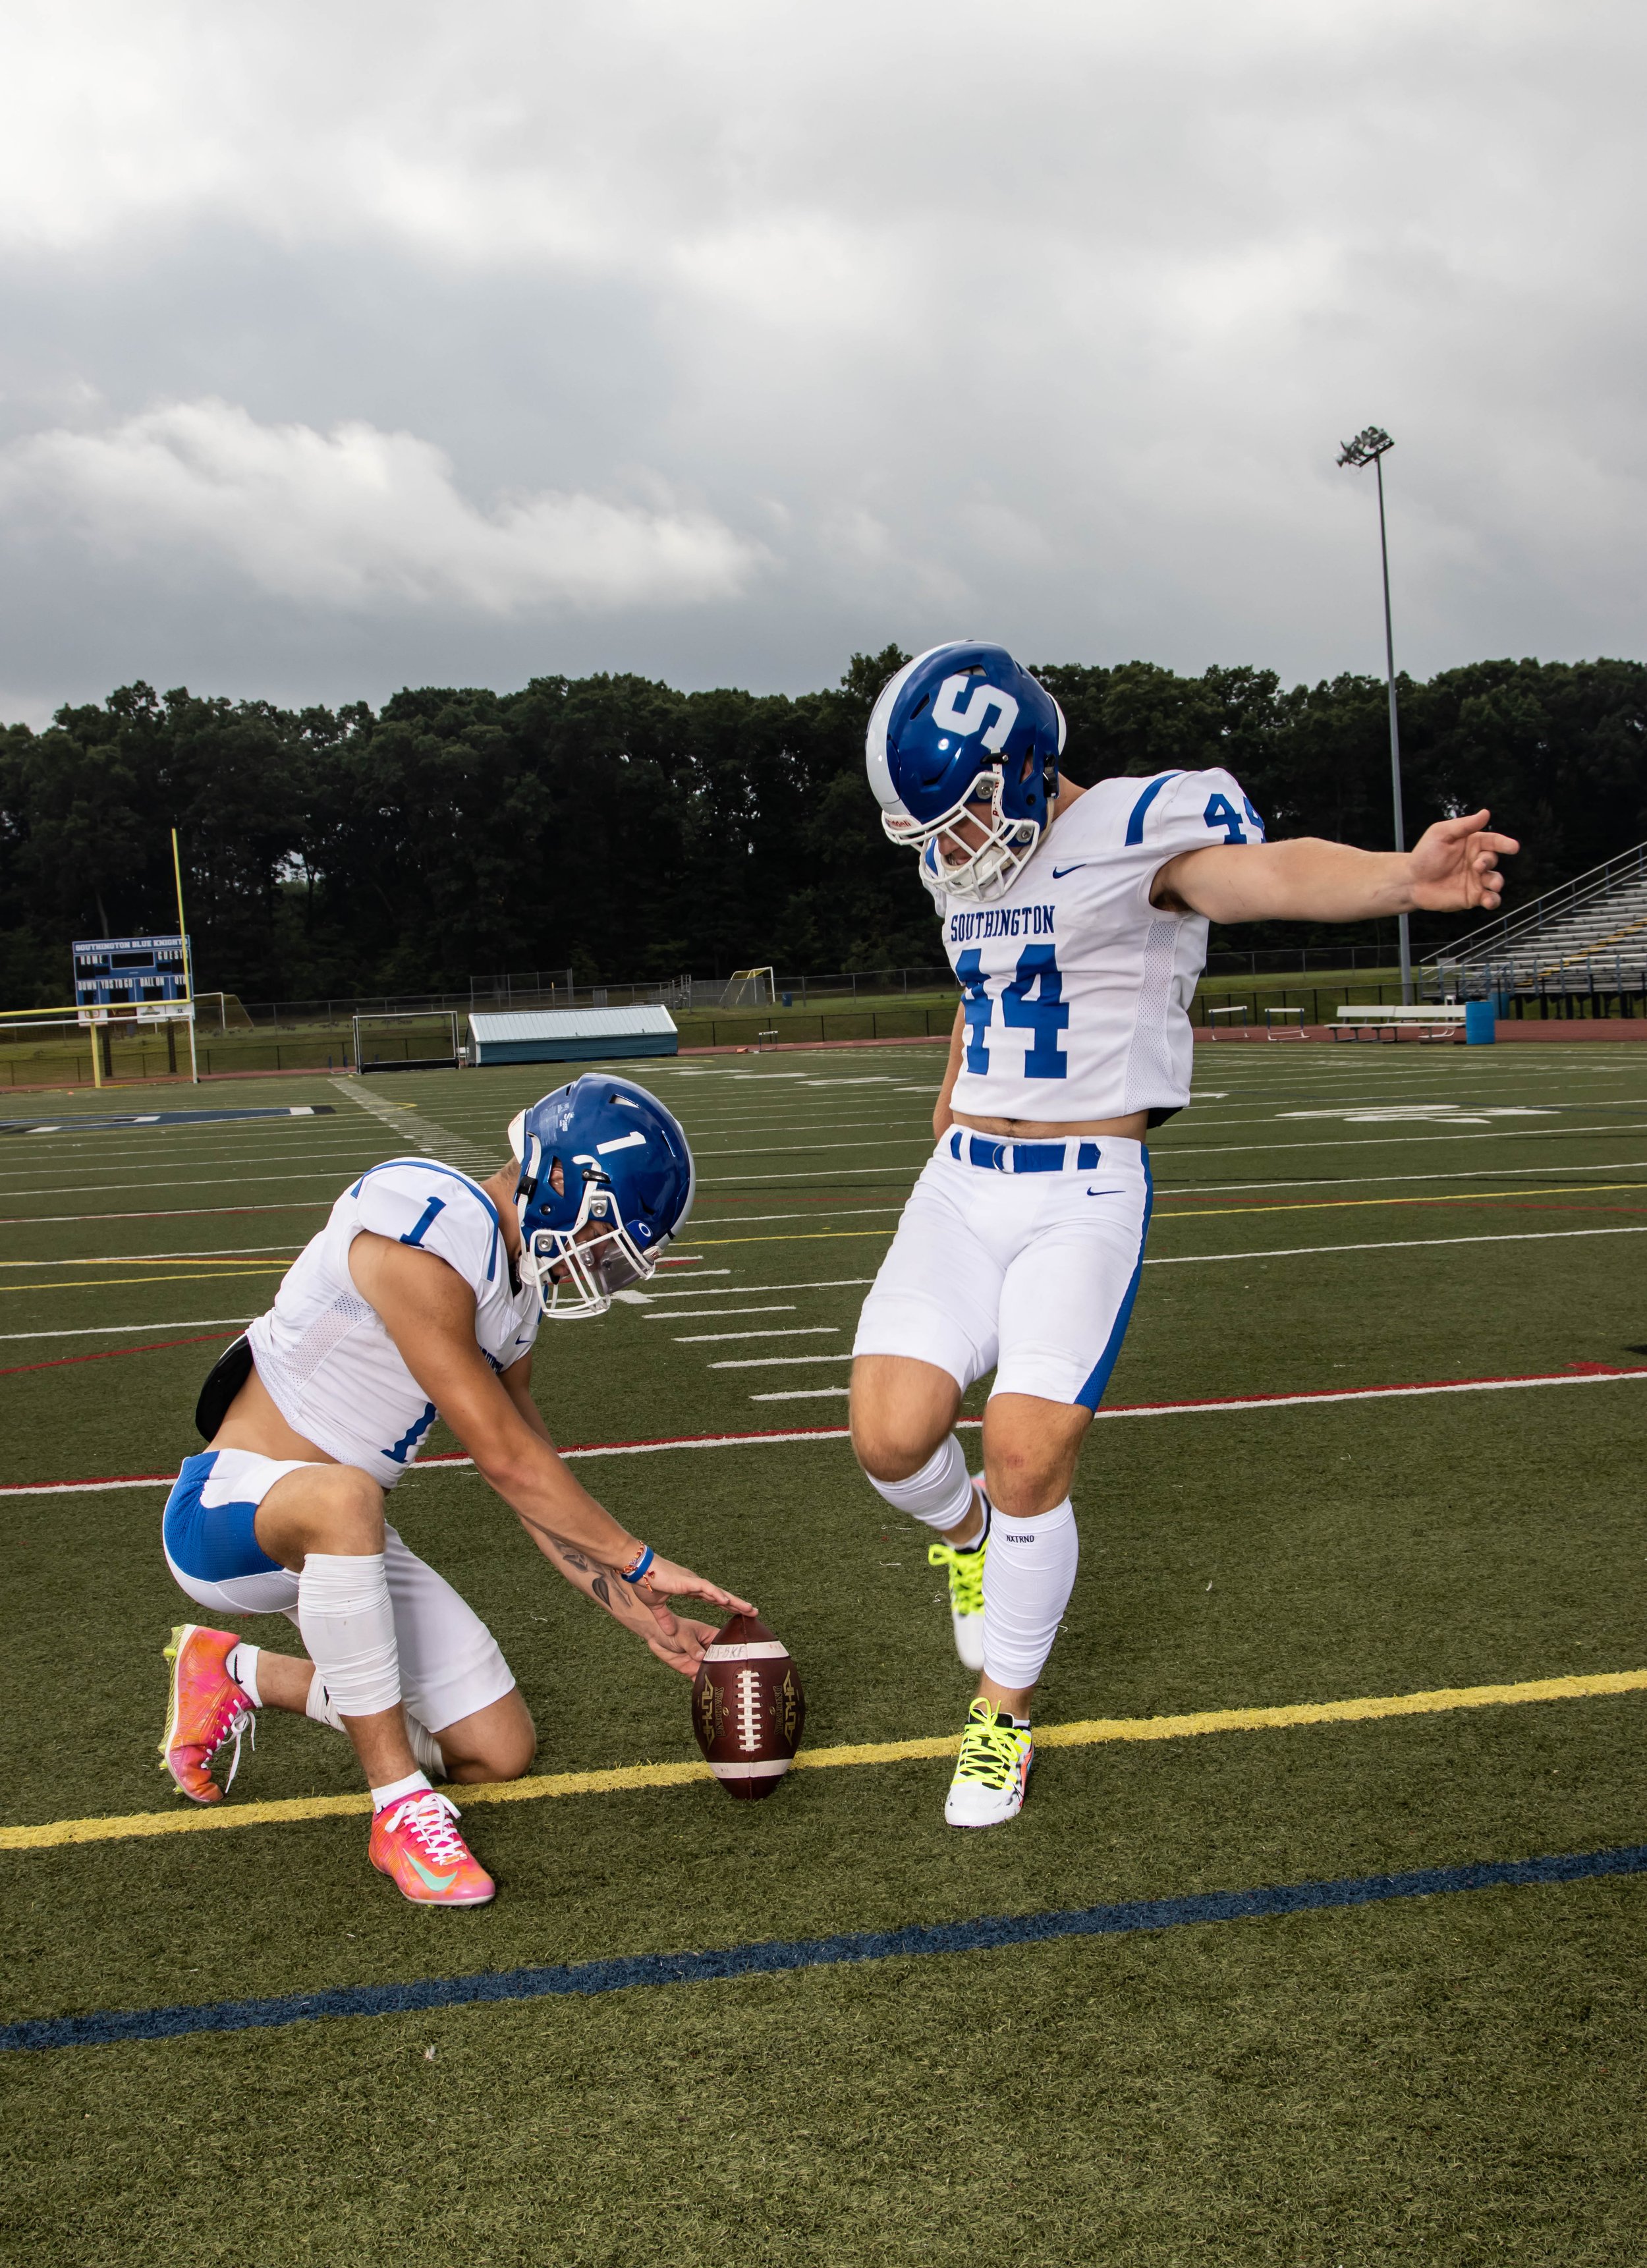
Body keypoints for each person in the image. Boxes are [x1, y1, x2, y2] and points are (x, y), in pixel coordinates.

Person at [851, 641, 1517, 1830]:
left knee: (1026, 1454)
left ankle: (1001, 1714)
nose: (949, 849)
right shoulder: (962, 859)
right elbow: (981, 998)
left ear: (1024, 765)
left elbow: (1261, 878)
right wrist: (944, 1117)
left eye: (960, 818)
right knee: (891, 1443)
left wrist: (1396, 881)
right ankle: (965, 1542)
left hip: (1081, 1187)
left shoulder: (1130, 832)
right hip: (960, 1180)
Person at [157, 1073, 752, 1906]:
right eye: (606, 1238)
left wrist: (634, 1609)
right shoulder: (431, 1223)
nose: (604, 1266)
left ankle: (237, 1674)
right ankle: (398, 1810)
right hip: (232, 1514)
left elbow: (529, 1480)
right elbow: (505, 1457)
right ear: (558, 1180)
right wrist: (643, 1558)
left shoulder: (512, 1300)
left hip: (340, 1536)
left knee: (495, 1750)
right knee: (347, 1497)